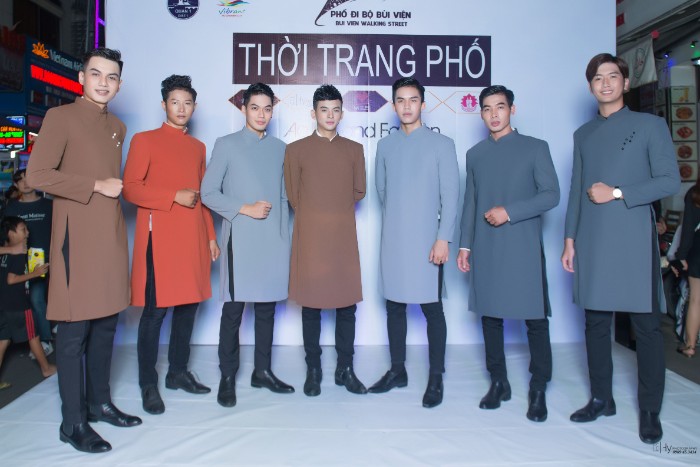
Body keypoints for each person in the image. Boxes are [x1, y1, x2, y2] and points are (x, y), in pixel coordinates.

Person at [26, 47, 142, 454]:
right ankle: (72, 422)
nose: (103, 83)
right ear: (81, 78)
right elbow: (37, 175)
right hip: (75, 237)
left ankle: (99, 403)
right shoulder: (60, 118)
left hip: (110, 236)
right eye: (96, 74)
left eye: (111, 77)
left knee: (107, 324)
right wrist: (94, 185)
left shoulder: (118, 126)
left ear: (119, 84)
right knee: (74, 332)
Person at [561, 53, 680, 444]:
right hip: (592, 239)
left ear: (626, 83)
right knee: (596, 323)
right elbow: (577, 191)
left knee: (646, 327)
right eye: (598, 78)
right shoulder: (583, 134)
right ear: (590, 86)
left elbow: (669, 181)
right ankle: (601, 399)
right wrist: (569, 239)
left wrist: (616, 192)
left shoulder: (650, 126)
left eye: (613, 76)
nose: (606, 83)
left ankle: (649, 410)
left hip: (632, 239)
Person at [457, 85, 559, 421]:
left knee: (534, 319)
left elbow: (551, 195)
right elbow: (471, 203)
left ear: (512, 110)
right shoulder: (475, 154)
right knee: (490, 317)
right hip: (486, 244)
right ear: (481, 113)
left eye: (500, 107)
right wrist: (465, 244)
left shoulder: (535, 148)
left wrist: (510, 212)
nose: (494, 114)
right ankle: (498, 382)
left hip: (523, 244)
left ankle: (538, 387)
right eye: (487, 108)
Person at [123, 75, 219, 415]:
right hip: (160, 239)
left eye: (187, 103)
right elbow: (130, 188)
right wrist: (172, 195)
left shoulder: (198, 148)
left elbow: (203, 196)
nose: (181, 108)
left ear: (194, 107)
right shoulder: (144, 140)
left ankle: (178, 372)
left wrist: (210, 235)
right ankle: (148, 383)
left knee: (189, 306)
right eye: (175, 102)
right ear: (163, 104)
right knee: (155, 313)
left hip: (192, 237)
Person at [201, 82, 294, 407]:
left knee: (267, 309)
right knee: (233, 311)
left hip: (273, 241)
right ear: (243, 109)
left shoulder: (281, 149)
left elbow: (284, 198)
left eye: (267, 109)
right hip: (240, 241)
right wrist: (245, 208)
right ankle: (227, 376)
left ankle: (262, 372)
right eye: (255, 108)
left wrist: (285, 238)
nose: (261, 114)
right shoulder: (226, 145)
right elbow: (208, 193)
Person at [370, 77, 459, 408]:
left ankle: (436, 376)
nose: (406, 106)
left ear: (423, 103)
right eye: (400, 100)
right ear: (393, 105)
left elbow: (451, 196)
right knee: (394, 306)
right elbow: (383, 191)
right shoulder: (385, 146)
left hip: (428, 241)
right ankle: (398, 370)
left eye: (412, 100)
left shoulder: (442, 145)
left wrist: (443, 238)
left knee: (432, 308)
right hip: (394, 239)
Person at [284, 84, 367, 397]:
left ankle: (346, 368)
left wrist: (333, 210)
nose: (330, 115)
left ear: (342, 114)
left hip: (343, 237)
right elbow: (293, 195)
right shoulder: (296, 150)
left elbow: (359, 190)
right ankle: (314, 370)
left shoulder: (354, 150)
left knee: (347, 306)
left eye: (335, 110)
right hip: (311, 238)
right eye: (324, 110)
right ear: (313, 113)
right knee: (312, 306)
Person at [0, 216, 56, 388]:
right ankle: (46, 368)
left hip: (5, 306)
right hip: (19, 305)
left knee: (3, 341)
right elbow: (11, 279)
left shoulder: (6, 254)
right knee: (33, 336)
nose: (27, 233)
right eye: (23, 229)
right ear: (11, 233)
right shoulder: (17, 254)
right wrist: (35, 273)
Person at [5, 169, 54, 355]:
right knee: (29, 301)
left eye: (28, 179)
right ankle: (35, 339)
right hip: (21, 262)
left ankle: (45, 339)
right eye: (20, 180)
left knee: (38, 299)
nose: (25, 183)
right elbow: (5, 235)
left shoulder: (49, 205)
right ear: (15, 185)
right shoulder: (12, 208)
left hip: (48, 259)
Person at [672, 182, 700, 357]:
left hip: (698, 250)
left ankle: (690, 346)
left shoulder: (695, 193)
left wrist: (681, 256)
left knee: (696, 300)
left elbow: (688, 229)